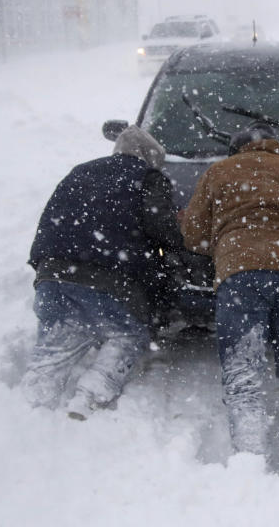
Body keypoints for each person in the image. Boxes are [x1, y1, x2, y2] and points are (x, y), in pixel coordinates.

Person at [180, 121, 279, 476]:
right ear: (275, 146)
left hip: (239, 273)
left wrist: (224, 241)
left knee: (243, 366)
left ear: (237, 148)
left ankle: (250, 449)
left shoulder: (219, 172)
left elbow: (193, 235)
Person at [21, 125, 183, 421]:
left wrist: (45, 271)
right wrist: (177, 245)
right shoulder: (148, 177)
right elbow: (163, 228)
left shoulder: (79, 172)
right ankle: (89, 397)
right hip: (111, 281)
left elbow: (48, 223)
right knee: (127, 335)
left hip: (53, 275)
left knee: (57, 343)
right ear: (151, 158)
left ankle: (32, 407)